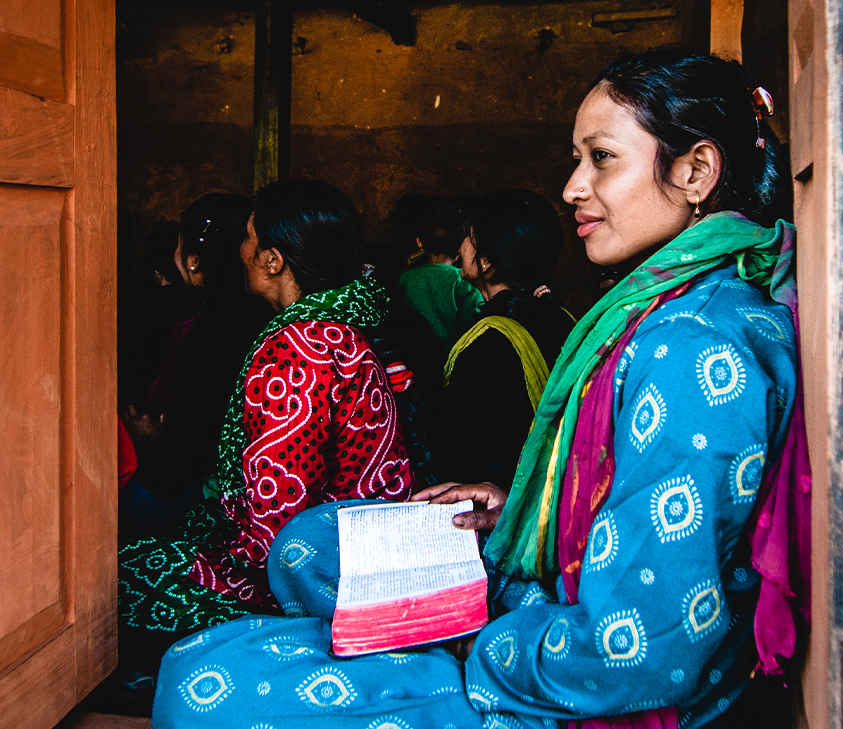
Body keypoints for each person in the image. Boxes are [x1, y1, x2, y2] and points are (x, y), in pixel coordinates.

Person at [152, 46, 810, 729]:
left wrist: (475, 642)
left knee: (199, 681)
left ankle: (429, 660)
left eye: (602, 158)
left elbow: (637, 649)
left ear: (696, 170)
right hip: (550, 597)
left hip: (580, 676)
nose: (573, 187)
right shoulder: (663, 309)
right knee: (305, 545)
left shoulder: (692, 346)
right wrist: (514, 507)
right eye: (577, 158)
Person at [118, 181, 420, 646]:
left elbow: (278, 520)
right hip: (365, 544)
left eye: (249, 238)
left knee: (115, 581)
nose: (239, 249)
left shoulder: (294, 353)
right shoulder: (347, 323)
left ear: (273, 261)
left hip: (319, 570)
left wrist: (220, 563)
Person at [121, 194, 274, 537]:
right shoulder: (264, 314)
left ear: (193, 261)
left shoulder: (213, 330)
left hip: (216, 494)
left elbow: (180, 464)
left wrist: (144, 439)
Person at [435, 188, 575, 488]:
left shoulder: (488, 347)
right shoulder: (566, 319)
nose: (460, 246)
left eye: (468, 238)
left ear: (486, 262)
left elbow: (458, 459)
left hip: (500, 508)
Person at [396, 195, 485, 352]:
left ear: (420, 242)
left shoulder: (406, 278)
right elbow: (473, 322)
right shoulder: (465, 282)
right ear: (461, 246)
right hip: (455, 354)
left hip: (416, 354)